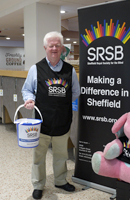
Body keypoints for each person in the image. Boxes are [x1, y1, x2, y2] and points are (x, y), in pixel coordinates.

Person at [21, 31, 80, 199]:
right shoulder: (36, 69)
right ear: (45, 48)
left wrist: (60, 103)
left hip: (63, 121)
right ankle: (38, 184)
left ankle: (60, 180)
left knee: (61, 155)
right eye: (51, 46)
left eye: (57, 45)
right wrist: (30, 99)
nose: (54, 48)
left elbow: (75, 92)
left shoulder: (70, 70)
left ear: (62, 48)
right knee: (38, 156)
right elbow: (27, 89)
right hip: (41, 123)